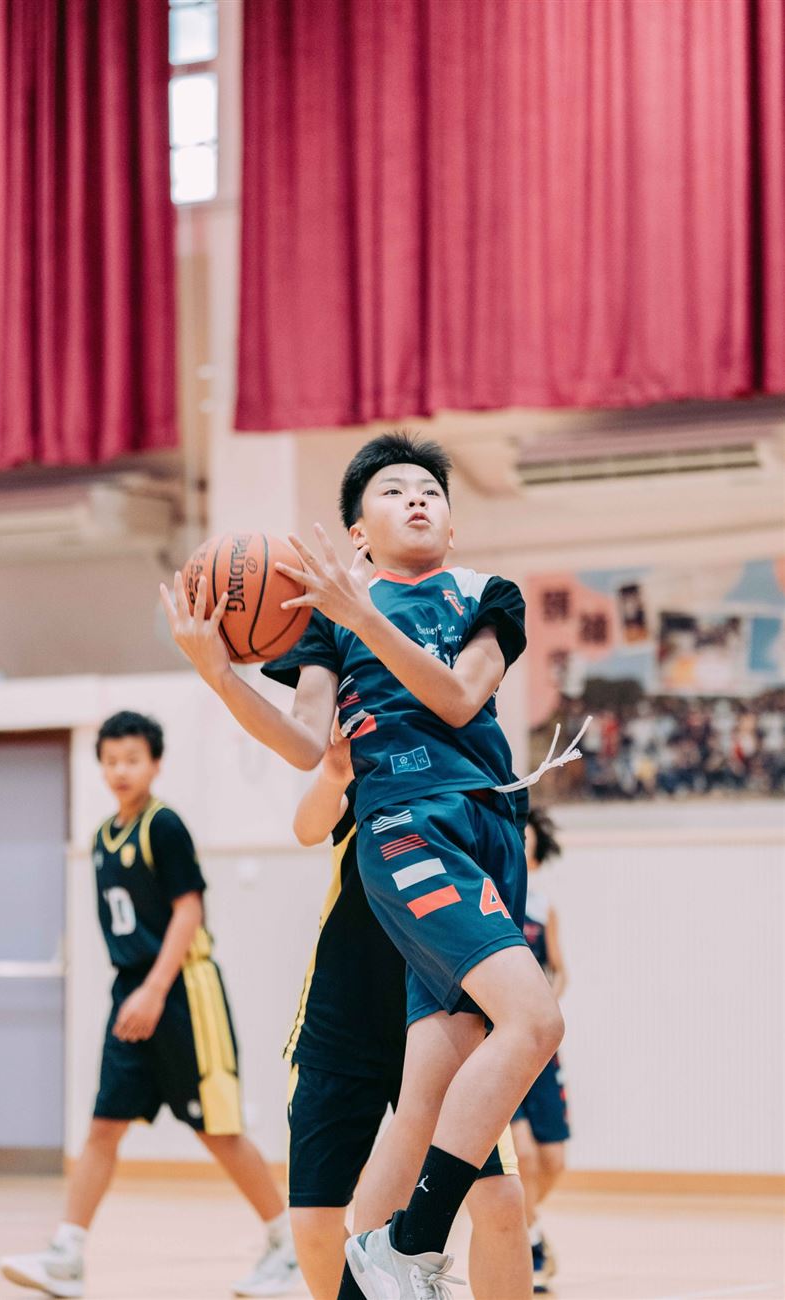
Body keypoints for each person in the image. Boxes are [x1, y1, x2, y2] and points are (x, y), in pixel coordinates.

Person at [161, 431, 573, 1300]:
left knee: (427, 1091)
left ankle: (381, 1267)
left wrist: (363, 617)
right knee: (534, 1022)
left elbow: (460, 696)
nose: (416, 497)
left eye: (430, 489)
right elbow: (305, 743)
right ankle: (411, 1245)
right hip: (408, 827)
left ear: (452, 527)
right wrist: (219, 675)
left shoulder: (485, 595)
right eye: (392, 490)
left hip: (492, 829)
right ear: (355, 534)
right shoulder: (328, 621)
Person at [0, 710, 299, 1300]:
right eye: (111, 760)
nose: (121, 770)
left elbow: (190, 910)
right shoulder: (101, 838)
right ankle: (67, 1254)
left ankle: (286, 1243)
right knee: (103, 1125)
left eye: (132, 759)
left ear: (155, 763)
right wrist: (137, 992)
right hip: (131, 992)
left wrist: (156, 990)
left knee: (217, 1129)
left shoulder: (164, 826)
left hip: (182, 991)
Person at [285, 726, 530, 1299]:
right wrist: (332, 775)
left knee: (499, 1200)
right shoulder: (374, 775)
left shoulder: (474, 785)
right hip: (342, 1018)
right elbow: (307, 828)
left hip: (442, 1016)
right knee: (316, 1222)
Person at [511, 808, 570, 1295]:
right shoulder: (493, 896)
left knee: (553, 1159)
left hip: (542, 1050)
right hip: (501, 1044)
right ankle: (526, 1240)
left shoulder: (543, 905)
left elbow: (560, 969)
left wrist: (547, 1001)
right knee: (524, 1156)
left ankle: (529, 1221)